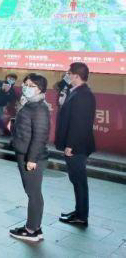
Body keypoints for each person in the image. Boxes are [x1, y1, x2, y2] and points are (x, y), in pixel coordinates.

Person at [8, 74, 50, 242]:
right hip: (24, 152)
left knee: (33, 193)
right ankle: (35, 227)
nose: (26, 87)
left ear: (40, 89)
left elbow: (40, 136)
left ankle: (31, 230)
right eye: (25, 84)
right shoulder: (29, 104)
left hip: (32, 157)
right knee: (33, 192)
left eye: (31, 85)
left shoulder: (39, 108)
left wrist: (32, 159)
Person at [56, 62, 96, 227]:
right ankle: (79, 211)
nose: (67, 76)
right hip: (75, 145)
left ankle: (81, 216)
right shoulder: (76, 92)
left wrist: (70, 145)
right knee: (76, 180)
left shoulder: (83, 95)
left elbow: (80, 124)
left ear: (76, 76)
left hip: (77, 147)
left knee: (79, 181)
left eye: (69, 73)